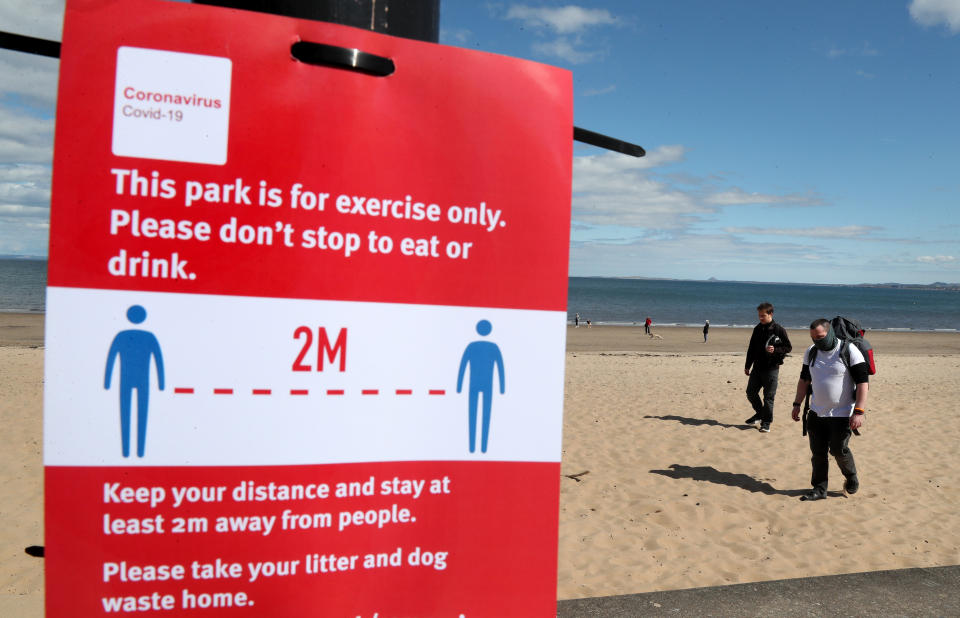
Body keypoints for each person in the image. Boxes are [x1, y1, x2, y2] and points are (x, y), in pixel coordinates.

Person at [791, 318, 869, 501]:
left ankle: (851, 477)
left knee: (838, 450)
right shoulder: (811, 352)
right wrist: (797, 404)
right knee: (818, 454)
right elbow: (804, 380)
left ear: (831, 332)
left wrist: (859, 411)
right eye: (813, 338)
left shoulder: (849, 351)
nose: (817, 341)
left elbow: (862, 383)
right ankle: (819, 488)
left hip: (842, 414)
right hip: (816, 412)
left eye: (821, 337)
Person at [744, 302, 792, 432]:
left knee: (768, 398)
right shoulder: (757, 329)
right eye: (759, 316)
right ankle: (760, 413)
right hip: (757, 367)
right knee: (750, 393)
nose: (760, 318)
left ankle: (766, 423)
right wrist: (747, 365)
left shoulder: (778, 329)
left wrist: (775, 349)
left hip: (771, 369)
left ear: (771, 314)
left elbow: (788, 347)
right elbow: (751, 349)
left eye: (763, 316)